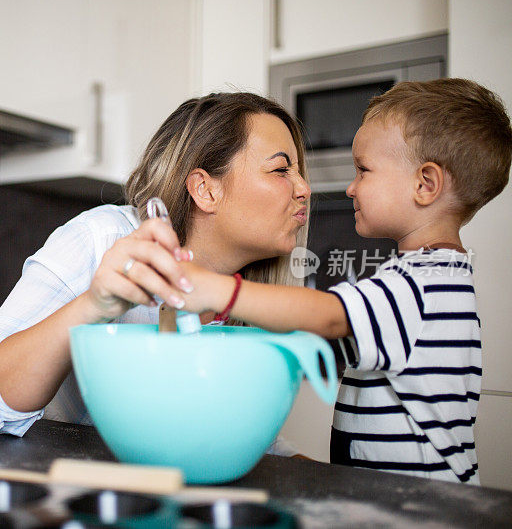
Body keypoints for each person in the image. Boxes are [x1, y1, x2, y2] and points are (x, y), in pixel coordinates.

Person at [177, 78, 512, 484]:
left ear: (425, 185)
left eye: (363, 170)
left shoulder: (421, 284)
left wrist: (218, 291)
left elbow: (330, 316)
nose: (351, 188)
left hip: (416, 506)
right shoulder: (442, 277)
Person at [0, 92, 311, 456]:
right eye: (281, 170)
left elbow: (232, 436)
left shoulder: (255, 294)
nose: (304, 189)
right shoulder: (100, 240)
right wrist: (93, 305)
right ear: (205, 189)